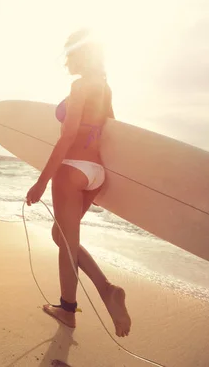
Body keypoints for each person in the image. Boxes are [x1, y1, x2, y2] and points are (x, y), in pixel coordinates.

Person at [25, 29, 131, 337]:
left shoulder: (80, 86)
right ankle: (97, 293)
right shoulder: (104, 87)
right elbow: (112, 131)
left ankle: (75, 306)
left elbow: (68, 136)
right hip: (95, 172)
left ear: (78, 55)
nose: (66, 61)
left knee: (67, 244)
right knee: (62, 236)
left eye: (69, 53)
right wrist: (102, 180)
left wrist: (41, 182)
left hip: (71, 169)